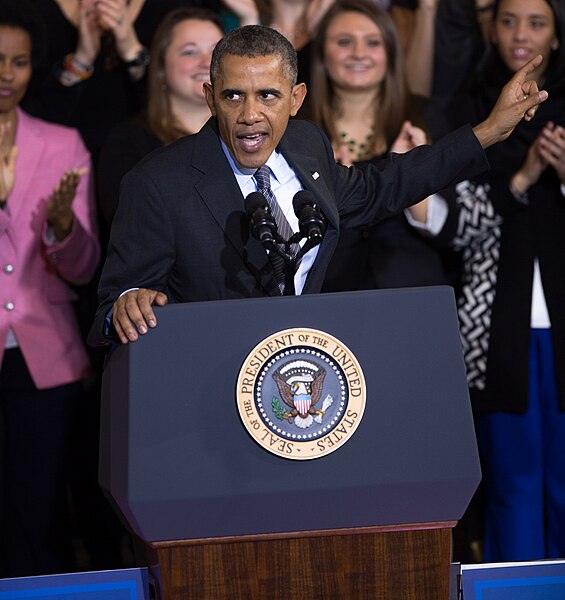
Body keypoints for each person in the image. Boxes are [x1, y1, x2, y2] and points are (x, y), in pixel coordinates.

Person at [88, 23, 547, 348]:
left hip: (303, 380)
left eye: (268, 95)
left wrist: (488, 131)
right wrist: (128, 304)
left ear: (296, 99)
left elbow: (386, 183)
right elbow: (116, 301)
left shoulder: (307, 146)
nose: (250, 114)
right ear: (211, 97)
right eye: (233, 96)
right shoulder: (156, 183)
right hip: (206, 391)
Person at [428, 0, 565, 562]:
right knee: (512, 483)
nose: (520, 34)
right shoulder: (467, 109)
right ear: (489, 27)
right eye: (508, 20)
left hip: (556, 327)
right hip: (495, 327)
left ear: (557, 35)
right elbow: (458, 221)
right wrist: (525, 176)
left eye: (537, 22)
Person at [0, 0, 100, 577]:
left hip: (46, 355)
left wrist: (63, 227)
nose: (7, 73)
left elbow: (84, 268)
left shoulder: (63, 143)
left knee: (41, 516)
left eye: (18, 61)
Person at [306, 0, 451, 292]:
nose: (359, 53)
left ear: (390, 53)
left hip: (413, 297)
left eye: (373, 42)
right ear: (322, 52)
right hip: (328, 303)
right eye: (345, 42)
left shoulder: (423, 118)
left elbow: (453, 230)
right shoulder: (299, 130)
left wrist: (410, 178)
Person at [97, 7, 224, 236]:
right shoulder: (128, 143)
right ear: (161, 68)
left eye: (217, 51)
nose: (207, 62)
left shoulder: (247, 136)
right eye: (189, 52)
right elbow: (130, 230)